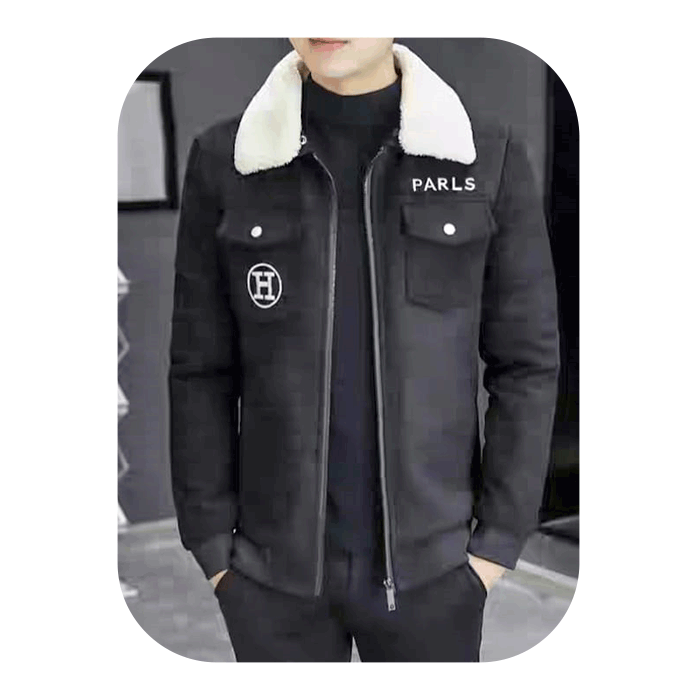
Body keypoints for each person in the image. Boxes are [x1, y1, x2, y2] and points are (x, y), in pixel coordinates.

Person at [168, 38, 560, 662]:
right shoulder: (226, 158)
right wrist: (213, 546)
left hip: (436, 575)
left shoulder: (485, 156)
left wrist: (496, 545)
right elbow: (199, 369)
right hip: (270, 579)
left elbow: (527, 365)